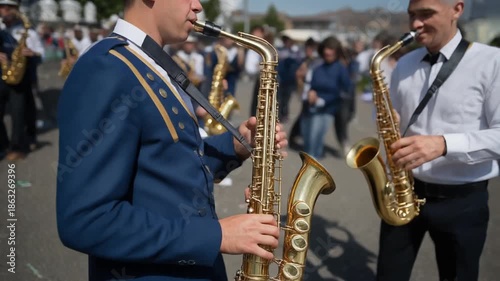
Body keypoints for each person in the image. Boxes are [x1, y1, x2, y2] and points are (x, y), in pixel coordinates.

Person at [56, 0, 288, 280]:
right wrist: (216, 236)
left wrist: (236, 146)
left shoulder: (153, 64)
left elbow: (172, 164)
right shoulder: (107, 68)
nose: (198, 6)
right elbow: (85, 220)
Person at [377, 0, 500, 280]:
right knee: (388, 274)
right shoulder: (405, 63)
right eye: (412, 15)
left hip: (462, 201)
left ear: (457, 9)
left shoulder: (493, 62)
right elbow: (393, 117)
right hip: (404, 190)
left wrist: (443, 144)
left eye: (426, 14)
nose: (415, 24)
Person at [0, 0, 44, 161]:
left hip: (20, 79)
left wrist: (32, 53)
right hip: (1, 77)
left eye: (7, 7)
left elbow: (41, 54)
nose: (3, 10)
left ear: (15, 10)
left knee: (19, 115)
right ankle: (3, 144)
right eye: (1, 7)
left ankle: (17, 147)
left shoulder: (29, 32)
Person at [300, 36, 351, 159]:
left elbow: (345, 91)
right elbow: (310, 84)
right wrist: (311, 93)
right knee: (307, 138)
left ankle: (313, 167)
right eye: (326, 49)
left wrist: (324, 100)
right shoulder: (318, 67)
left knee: (314, 141)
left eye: (331, 49)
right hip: (310, 107)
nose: (328, 52)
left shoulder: (341, 69)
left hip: (327, 109)